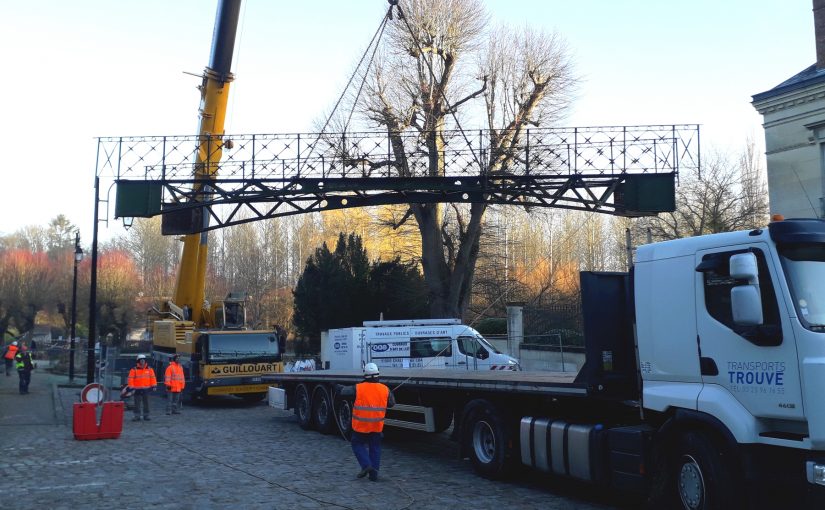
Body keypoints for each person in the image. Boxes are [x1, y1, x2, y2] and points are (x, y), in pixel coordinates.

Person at [337, 363, 395, 482]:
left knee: (357, 444)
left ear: (365, 375)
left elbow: (343, 391)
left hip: (361, 426)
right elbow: (392, 403)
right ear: (378, 375)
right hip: (377, 426)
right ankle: (373, 475)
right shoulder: (385, 389)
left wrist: (335, 386)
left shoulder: (358, 388)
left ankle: (366, 465)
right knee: (375, 448)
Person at [127, 354, 157, 421]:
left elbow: (153, 378)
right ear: (138, 361)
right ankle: (137, 416)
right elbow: (130, 380)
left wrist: (154, 386)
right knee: (137, 404)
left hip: (146, 389)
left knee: (146, 403)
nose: (142, 361)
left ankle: (146, 416)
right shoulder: (134, 370)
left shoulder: (149, 369)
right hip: (137, 390)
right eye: (141, 360)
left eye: (143, 360)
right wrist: (131, 388)